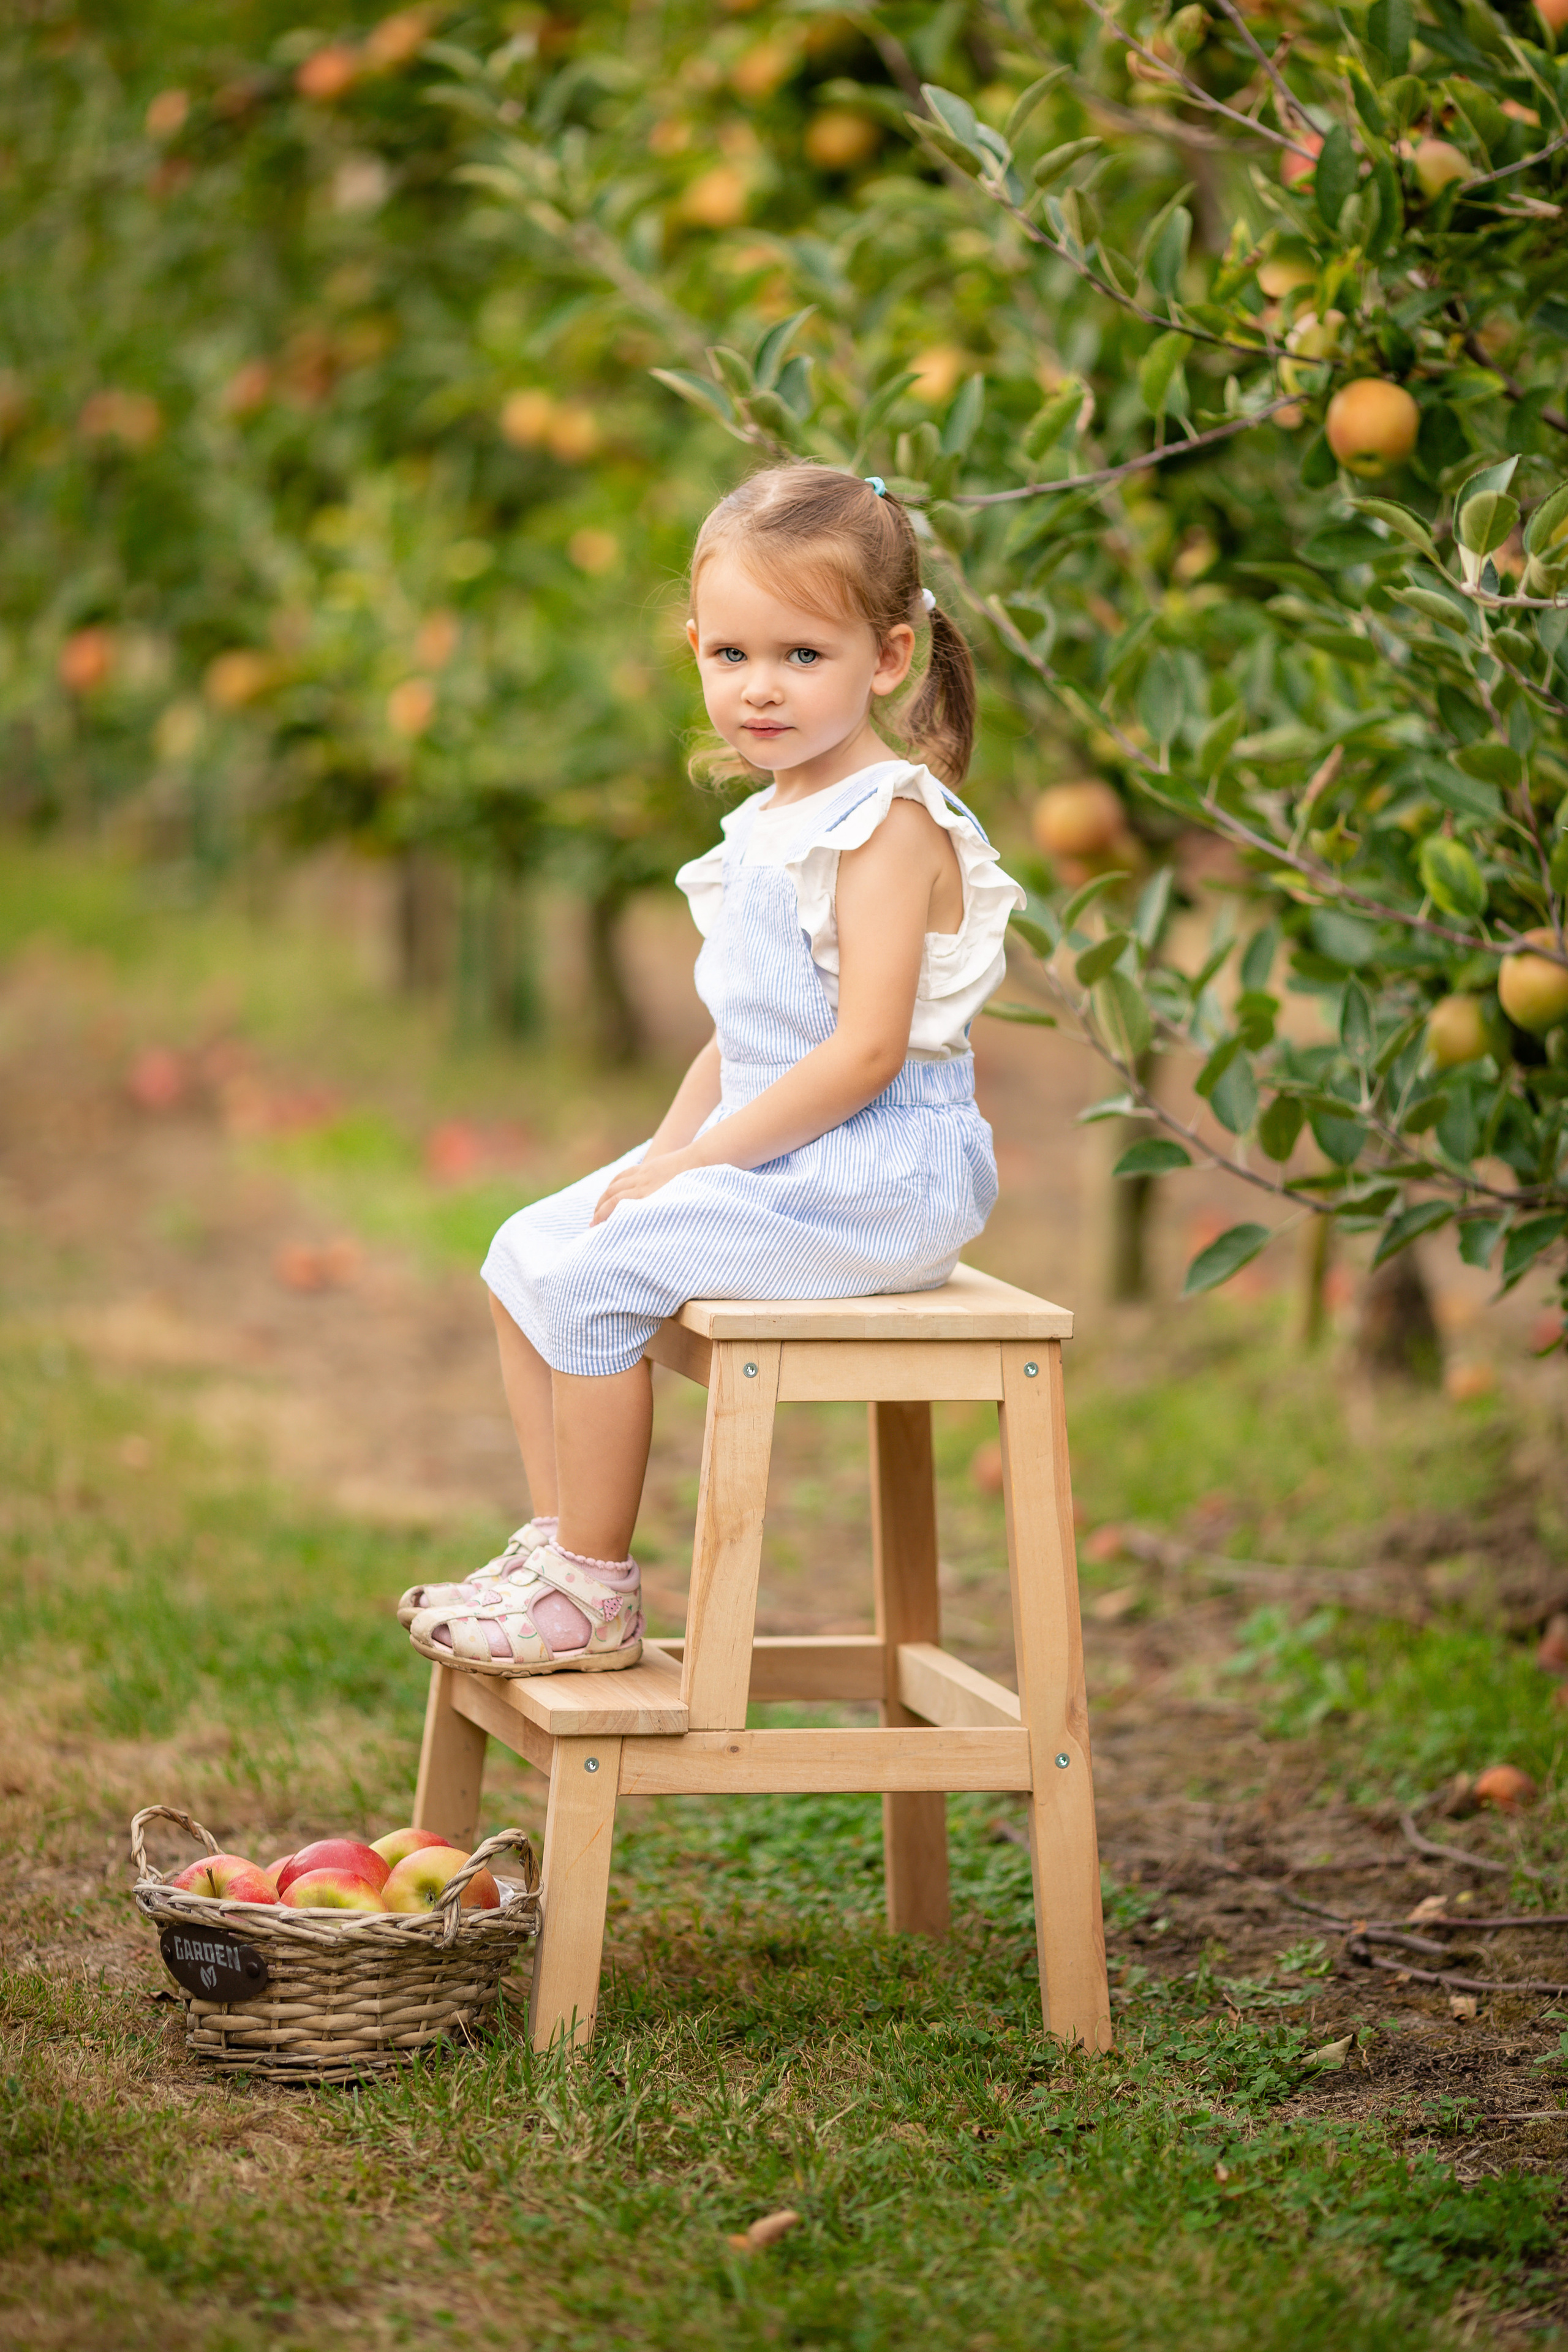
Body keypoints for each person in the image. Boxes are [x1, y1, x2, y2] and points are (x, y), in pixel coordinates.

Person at [399, 462, 1023, 1678]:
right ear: (694, 649)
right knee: (530, 1246)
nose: (760, 688)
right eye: (730, 655)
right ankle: (555, 1551)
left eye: (801, 655)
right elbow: (736, 1041)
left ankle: (595, 1590)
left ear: (887, 658)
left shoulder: (888, 820)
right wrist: (654, 1155)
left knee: (599, 1277)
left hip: (881, 1178)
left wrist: (691, 1165)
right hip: (785, 1153)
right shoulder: (762, 823)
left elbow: (862, 1054)